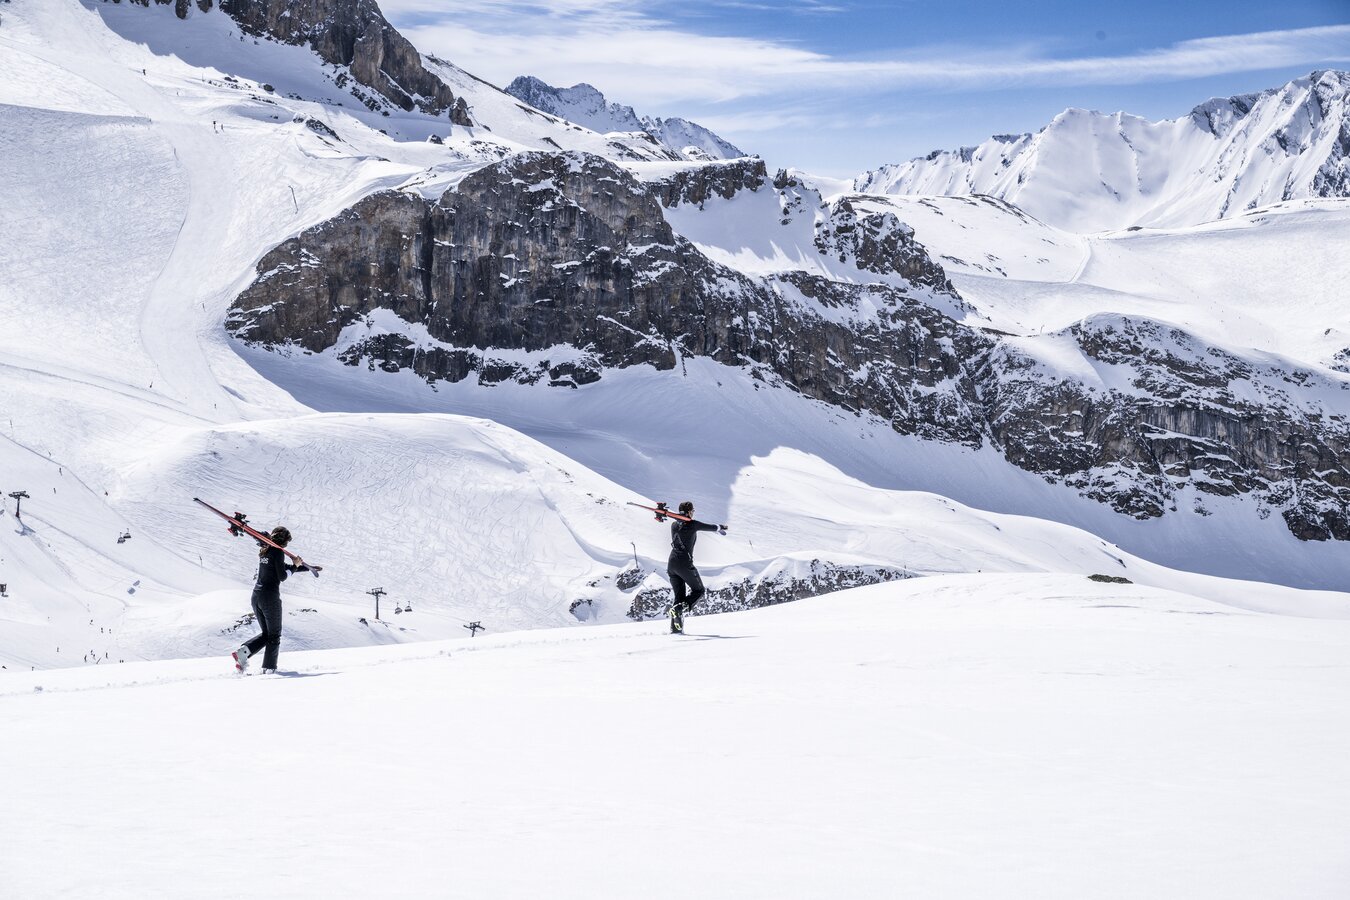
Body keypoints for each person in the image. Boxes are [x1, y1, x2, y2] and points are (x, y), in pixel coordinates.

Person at [233, 526, 306, 673]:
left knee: (267, 634)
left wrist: (303, 567)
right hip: (270, 598)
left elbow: (281, 567)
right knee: (274, 635)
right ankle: (269, 669)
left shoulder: (265, 550)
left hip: (256, 596)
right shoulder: (278, 552)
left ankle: (243, 653)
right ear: (284, 541)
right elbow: (282, 576)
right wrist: (295, 566)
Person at [667, 501, 726, 634]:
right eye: (692, 511)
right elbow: (710, 527)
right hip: (684, 564)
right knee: (699, 590)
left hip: (671, 564)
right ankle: (679, 610)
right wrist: (721, 527)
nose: (693, 513)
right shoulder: (693, 525)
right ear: (689, 512)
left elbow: (682, 523)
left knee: (679, 598)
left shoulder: (674, 525)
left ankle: (675, 630)